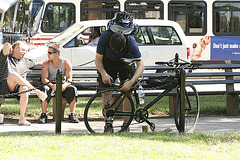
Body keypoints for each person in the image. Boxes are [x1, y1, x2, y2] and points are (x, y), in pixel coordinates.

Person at [95, 11, 144, 133]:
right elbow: (98, 60)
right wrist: (103, 73)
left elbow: (141, 65)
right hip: (108, 63)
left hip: (125, 63)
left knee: (128, 93)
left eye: (119, 50)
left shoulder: (130, 41)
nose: (117, 51)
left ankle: (126, 125)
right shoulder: (105, 37)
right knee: (106, 92)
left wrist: (131, 82)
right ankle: (108, 123)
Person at [0, 41, 47, 126]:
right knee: (14, 75)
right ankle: (37, 91)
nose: (24, 52)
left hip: (17, 88)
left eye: (25, 50)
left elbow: (37, 63)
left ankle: (21, 119)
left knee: (25, 88)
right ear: (15, 49)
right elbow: (6, 45)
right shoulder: (6, 58)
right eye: (22, 49)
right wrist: (9, 47)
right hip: (4, 86)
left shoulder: (25, 62)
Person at [39, 43, 79, 123]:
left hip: (62, 84)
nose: (48, 55)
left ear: (56, 53)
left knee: (72, 89)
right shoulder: (46, 63)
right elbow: (44, 79)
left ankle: (72, 114)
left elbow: (69, 78)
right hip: (51, 84)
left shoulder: (66, 63)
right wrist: (51, 85)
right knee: (44, 89)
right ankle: (44, 114)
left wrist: (65, 85)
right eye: (48, 52)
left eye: (50, 53)